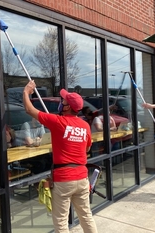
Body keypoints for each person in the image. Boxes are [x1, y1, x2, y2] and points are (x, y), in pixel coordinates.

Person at [23, 80, 98, 233]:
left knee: (61, 222)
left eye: (62, 100)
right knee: (86, 216)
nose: (60, 101)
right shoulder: (85, 125)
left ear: (68, 106)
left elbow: (30, 110)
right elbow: (88, 147)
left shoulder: (58, 122)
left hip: (64, 179)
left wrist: (26, 92)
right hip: (82, 177)